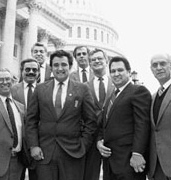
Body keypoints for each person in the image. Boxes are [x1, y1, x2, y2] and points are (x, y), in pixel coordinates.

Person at [26, 50, 97, 180]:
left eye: (64, 64)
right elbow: (31, 120)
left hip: (73, 153)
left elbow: (91, 121)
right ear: (51, 67)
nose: (60, 68)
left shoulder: (82, 89)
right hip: (44, 153)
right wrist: (34, 145)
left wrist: (83, 145)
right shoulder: (40, 89)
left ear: (70, 66)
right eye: (56, 65)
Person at [97, 56, 151, 180]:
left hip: (129, 162)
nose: (116, 74)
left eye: (120, 70)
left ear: (129, 72)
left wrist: (137, 153)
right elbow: (104, 124)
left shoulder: (138, 91)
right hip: (110, 162)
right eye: (113, 71)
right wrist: (99, 141)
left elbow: (142, 124)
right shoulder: (112, 96)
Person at [84, 49, 114, 180]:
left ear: (106, 61)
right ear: (89, 64)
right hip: (91, 137)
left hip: (113, 136)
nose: (96, 61)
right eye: (93, 60)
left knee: (112, 173)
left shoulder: (117, 84)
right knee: (90, 174)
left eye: (99, 58)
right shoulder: (83, 87)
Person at [0, 68, 24, 180]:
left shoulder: (20, 107)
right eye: (0, 80)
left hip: (18, 163)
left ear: (13, 82)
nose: (5, 82)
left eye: (8, 79)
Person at [11, 58, 40, 180]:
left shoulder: (44, 89)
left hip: (38, 143)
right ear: (21, 71)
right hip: (17, 145)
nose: (31, 72)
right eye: (27, 69)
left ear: (38, 72)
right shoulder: (12, 90)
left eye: (34, 70)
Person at [148, 53, 171, 180]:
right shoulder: (152, 97)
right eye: (155, 65)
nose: (159, 67)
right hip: (156, 167)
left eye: (163, 63)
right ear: (151, 70)